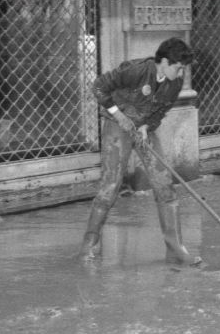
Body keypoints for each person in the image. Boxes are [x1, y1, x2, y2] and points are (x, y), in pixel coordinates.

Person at [81, 37, 199, 265]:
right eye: (178, 67)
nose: (182, 73)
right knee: (110, 187)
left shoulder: (174, 84)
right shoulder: (136, 71)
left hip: (143, 130)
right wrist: (119, 116)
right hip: (118, 125)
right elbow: (99, 86)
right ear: (164, 62)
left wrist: (146, 126)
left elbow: (160, 111)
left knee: (165, 185)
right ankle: (88, 248)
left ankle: (176, 249)